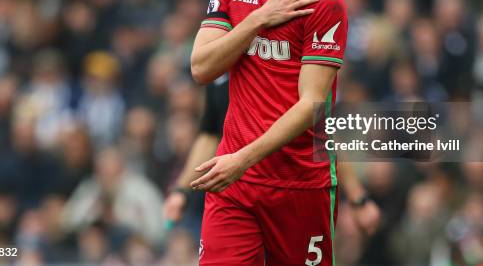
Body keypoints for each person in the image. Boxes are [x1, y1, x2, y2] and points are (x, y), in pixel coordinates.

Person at [189, 0, 349, 265]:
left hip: (298, 184)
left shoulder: (323, 1)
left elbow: (311, 103)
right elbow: (201, 67)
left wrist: (241, 158)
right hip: (233, 184)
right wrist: (258, 19)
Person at [163, 75, 381, 237]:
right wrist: (182, 190)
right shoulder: (221, 70)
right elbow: (210, 133)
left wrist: (357, 198)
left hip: (290, 193)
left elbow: (322, 134)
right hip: (236, 199)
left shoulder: (280, 67)